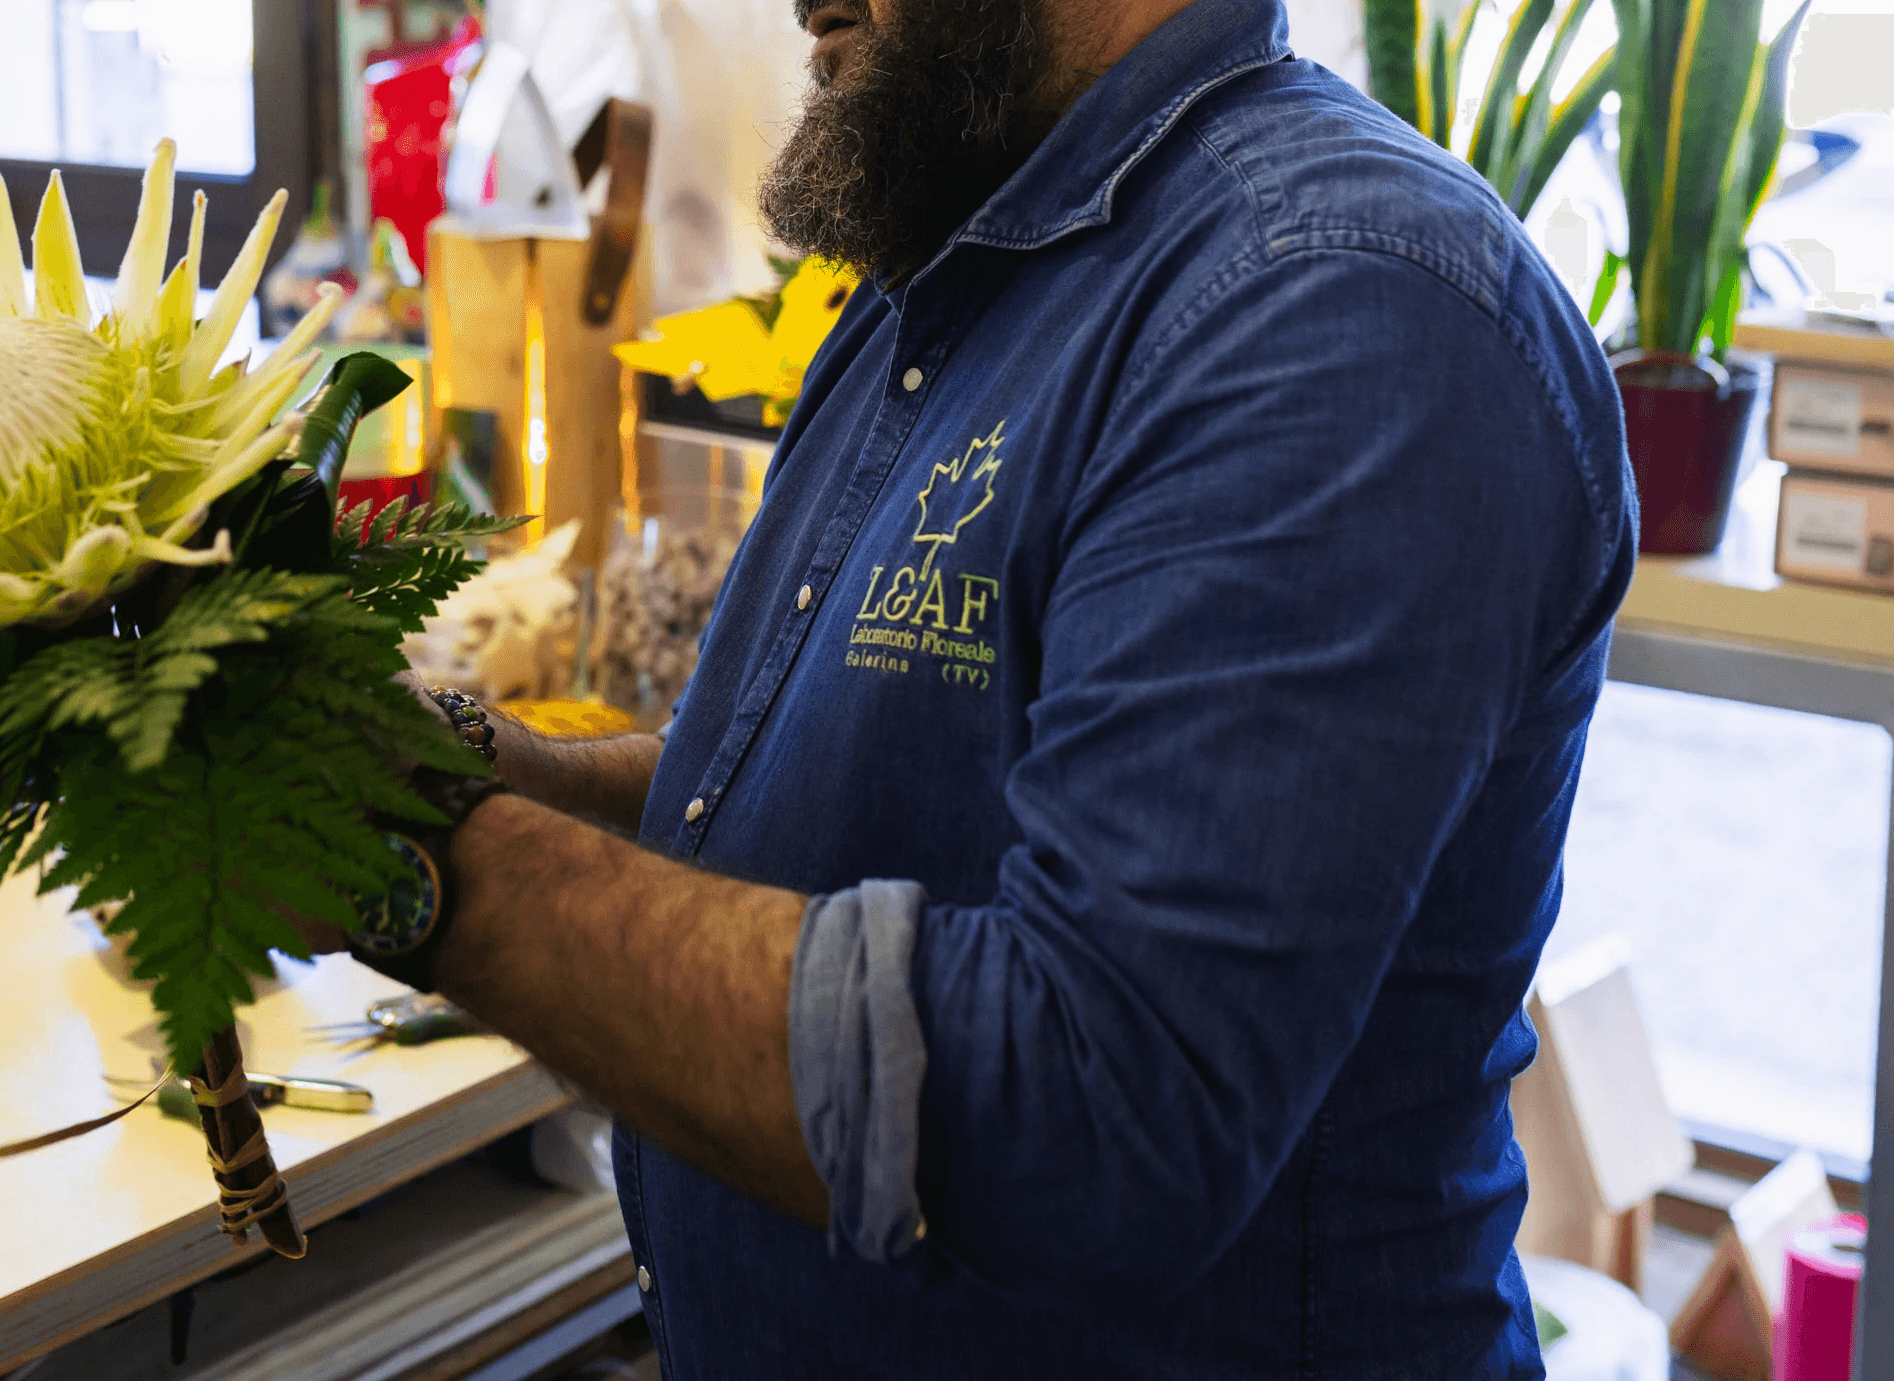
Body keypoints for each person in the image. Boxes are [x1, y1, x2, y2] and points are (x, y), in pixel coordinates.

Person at [328, 0, 1636, 1374]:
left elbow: (1088, 1112)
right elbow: (823, 789)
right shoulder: (966, 272)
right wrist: (473, 769)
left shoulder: (1333, 299)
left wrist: (422, 867)